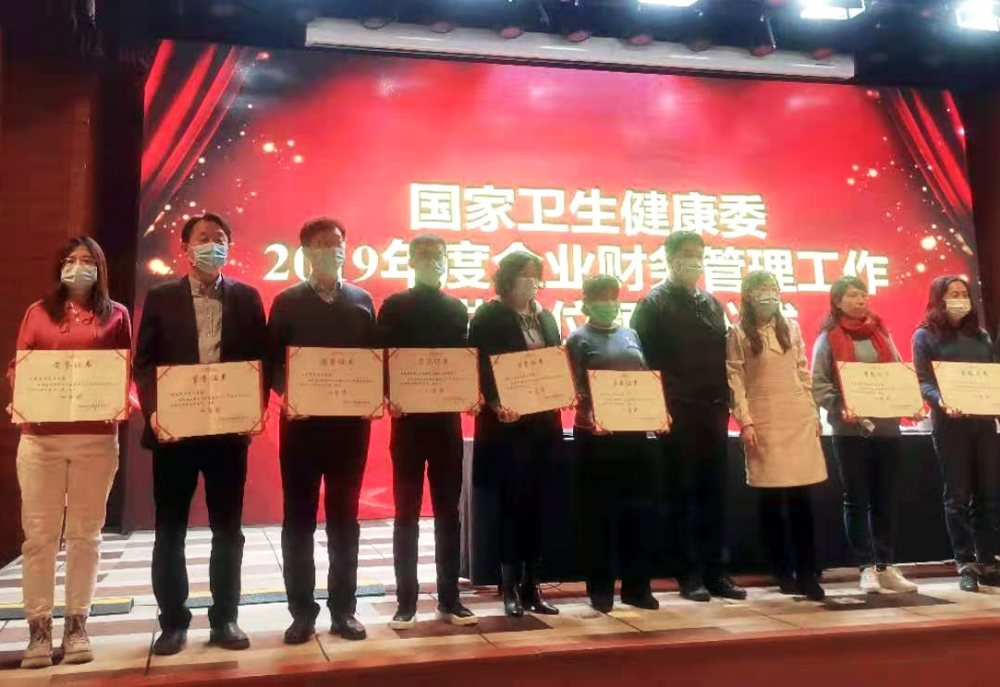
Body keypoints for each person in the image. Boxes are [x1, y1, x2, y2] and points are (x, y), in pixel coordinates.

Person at [134, 213, 268, 655]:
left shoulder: (247, 297)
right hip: (175, 433)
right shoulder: (161, 297)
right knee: (170, 529)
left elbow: (260, 361)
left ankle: (225, 618)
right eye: (204, 238)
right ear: (186, 248)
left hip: (228, 434)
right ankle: (173, 622)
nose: (213, 245)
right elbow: (144, 364)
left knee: (228, 529)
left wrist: (255, 408)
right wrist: (155, 412)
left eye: (220, 238)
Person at [7, 238, 130, 669]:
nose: (79, 267)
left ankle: (77, 625)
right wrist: (20, 389)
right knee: (40, 537)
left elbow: (124, 370)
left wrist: (124, 398)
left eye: (88, 260)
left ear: (101, 268)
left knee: (85, 535)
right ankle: (38, 631)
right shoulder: (37, 312)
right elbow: (20, 365)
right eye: (71, 260)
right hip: (41, 439)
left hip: (96, 439)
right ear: (59, 266)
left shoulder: (117, 314)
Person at [266, 218, 376, 643]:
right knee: (299, 520)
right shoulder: (287, 301)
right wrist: (287, 392)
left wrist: (376, 395)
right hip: (302, 429)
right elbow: (271, 360)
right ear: (307, 252)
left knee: (345, 521)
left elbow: (374, 359)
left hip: (350, 430)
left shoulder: (362, 300)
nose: (333, 250)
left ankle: (343, 610)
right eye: (323, 244)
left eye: (338, 243)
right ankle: (301, 612)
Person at [631, 231, 746, 602]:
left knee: (715, 493)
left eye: (699, 254)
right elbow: (641, 361)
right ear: (670, 259)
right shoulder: (653, 303)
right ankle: (688, 574)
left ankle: (717, 572)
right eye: (686, 254)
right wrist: (656, 408)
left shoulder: (711, 303)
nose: (694, 260)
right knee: (681, 494)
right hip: (676, 411)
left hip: (713, 410)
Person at [378, 234, 478, 629]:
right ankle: (406, 601)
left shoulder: (456, 308)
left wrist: (470, 392)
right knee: (405, 513)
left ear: (447, 259)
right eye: (422, 255)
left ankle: (450, 599)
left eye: (438, 255)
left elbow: (463, 361)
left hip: (446, 424)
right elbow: (382, 359)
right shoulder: (394, 305)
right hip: (407, 423)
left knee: (448, 513)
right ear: (410, 261)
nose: (431, 260)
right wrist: (387, 393)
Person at [469, 251, 562, 618]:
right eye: (524, 274)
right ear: (507, 279)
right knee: (511, 504)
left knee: (539, 504)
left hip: (543, 423)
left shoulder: (547, 317)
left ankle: (532, 585)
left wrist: (564, 391)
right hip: (506, 426)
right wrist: (494, 402)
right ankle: (507, 585)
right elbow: (478, 365)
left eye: (536, 275)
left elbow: (555, 363)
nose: (531, 281)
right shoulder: (488, 316)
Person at [811, 275, 918, 594]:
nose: (860, 300)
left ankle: (887, 565)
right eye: (852, 295)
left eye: (863, 294)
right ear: (837, 301)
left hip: (887, 429)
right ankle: (866, 566)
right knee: (857, 499)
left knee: (885, 499)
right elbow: (819, 384)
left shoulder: (881, 334)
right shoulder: (828, 338)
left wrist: (910, 403)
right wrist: (840, 406)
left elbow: (897, 373)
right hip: (849, 432)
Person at [726, 271, 827, 602]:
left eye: (773, 289)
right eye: (761, 290)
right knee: (770, 500)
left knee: (802, 500)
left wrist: (813, 412)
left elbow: (802, 371)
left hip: (796, 417)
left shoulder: (791, 328)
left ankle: (808, 573)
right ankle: (782, 570)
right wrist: (745, 421)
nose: (768, 295)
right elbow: (735, 379)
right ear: (748, 296)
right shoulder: (738, 332)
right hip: (764, 419)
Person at [566, 274, 665, 613]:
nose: (609, 303)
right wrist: (590, 413)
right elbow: (575, 386)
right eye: (601, 298)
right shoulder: (577, 339)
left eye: (613, 297)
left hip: (633, 434)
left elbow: (645, 376)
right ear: (587, 303)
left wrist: (658, 412)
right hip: (596, 437)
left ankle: (637, 588)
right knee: (599, 515)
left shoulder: (630, 334)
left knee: (638, 512)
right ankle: (601, 589)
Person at [912, 276, 1000, 592]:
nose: (961, 298)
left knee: (988, 495)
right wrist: (941, 400)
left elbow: (993, 376)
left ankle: (988, 561)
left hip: (984, 423)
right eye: (954, 293)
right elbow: (923, 381)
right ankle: (965, 563)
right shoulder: (925, 335)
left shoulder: (981, 336)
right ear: (939, 298)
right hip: (950, 425)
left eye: (965, 293)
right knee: (958, 497)